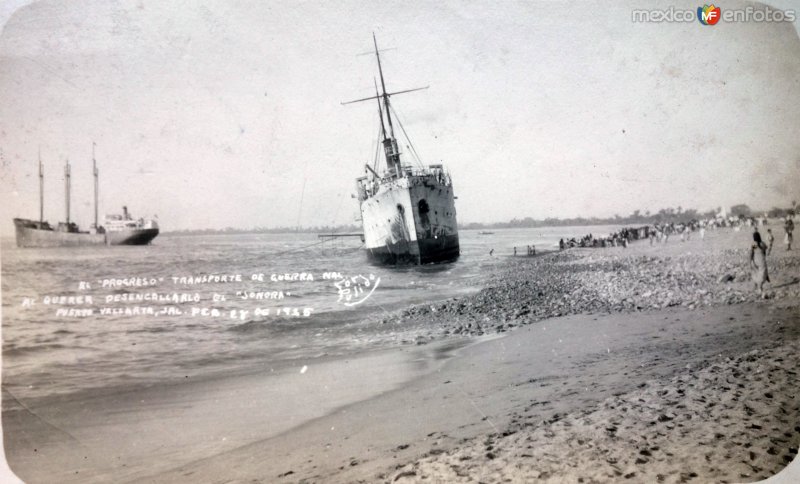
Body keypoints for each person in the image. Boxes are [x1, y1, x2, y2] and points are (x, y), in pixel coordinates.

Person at [750, 231, 770, 296]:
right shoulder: (762, 243)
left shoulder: (754, 244)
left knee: (756, 273)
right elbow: (765, 251)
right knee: (762, 273)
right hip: (762, 259)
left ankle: (756, 286)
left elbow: (751, 253)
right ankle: (760, 286)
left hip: (756, 259)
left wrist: (750, 260)